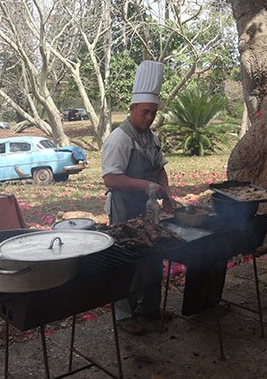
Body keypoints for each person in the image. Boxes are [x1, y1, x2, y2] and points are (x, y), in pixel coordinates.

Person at [101, 60, 174, 335]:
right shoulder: (119, 139)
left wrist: (166, 193)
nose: (149, 118)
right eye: (145, 113)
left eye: (153, 114)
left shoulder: (151, 137)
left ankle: (149, 309)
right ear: (132, 109)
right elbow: (110, 178)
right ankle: (123, 315)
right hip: (123, 208)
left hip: (147, 209)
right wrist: (145, 185)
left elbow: (160, 168)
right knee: (127, 260)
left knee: (153, 256)